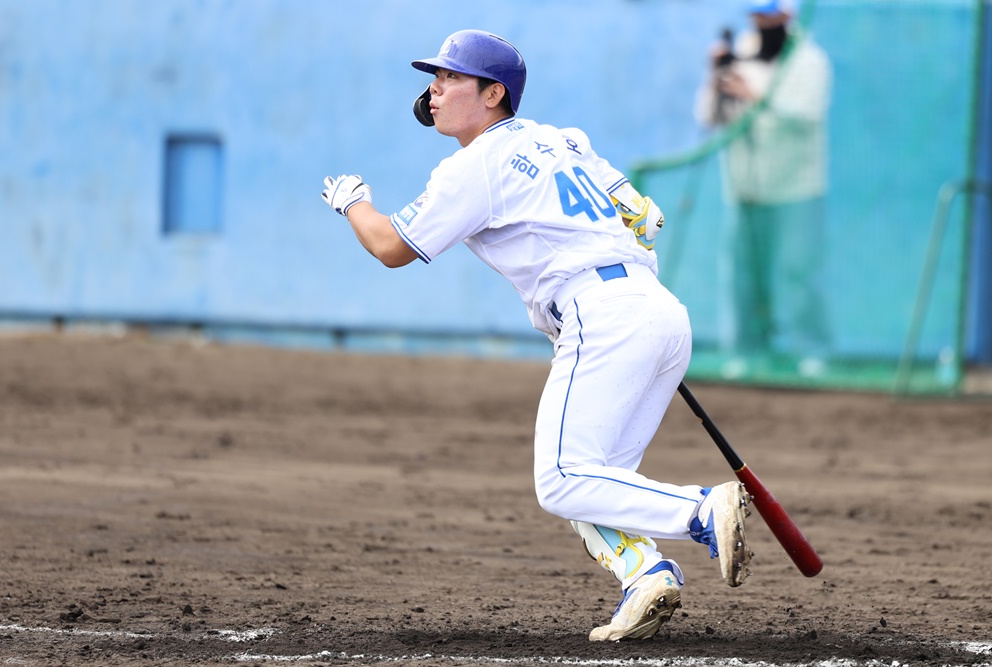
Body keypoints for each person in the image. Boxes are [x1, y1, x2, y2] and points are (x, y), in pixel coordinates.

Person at [321, 29, 752, 642]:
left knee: (561, 479)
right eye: (434, 79)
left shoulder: (474, 165)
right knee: (598, 487)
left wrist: (354, 204)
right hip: (657, 311)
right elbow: (641, 211)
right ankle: (645, 573)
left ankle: (702, 511)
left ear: (493, 93)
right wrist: (632, 216)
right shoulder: (561, 139)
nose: (435, 90)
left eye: (450, 79)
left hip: (600, 314)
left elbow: (391, 246)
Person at [695, 0, 833, 378]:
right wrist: (715, 78)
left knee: (799, 270)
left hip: (797, 187)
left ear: (788, 17)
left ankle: (812, 351)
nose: (762, 23)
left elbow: (806, 113)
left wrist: (755, 96)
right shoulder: (739, 56)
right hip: (743, 188)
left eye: (770, 16)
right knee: (741, 274)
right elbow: (708, 117)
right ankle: (746, 351)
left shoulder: (810, 61)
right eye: (756, 16)